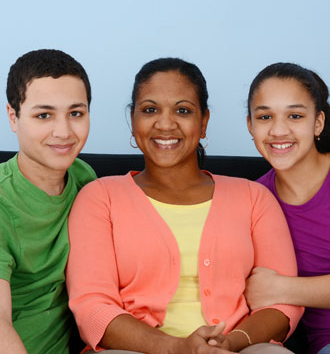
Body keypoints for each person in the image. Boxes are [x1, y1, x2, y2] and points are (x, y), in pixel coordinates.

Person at [66, 57, 303, 354]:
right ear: (133, 120)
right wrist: (178, 348)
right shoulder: (100, 198)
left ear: (203, 122)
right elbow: (92, 306)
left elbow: (283, 303)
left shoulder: (254, 198)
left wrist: (229, 343)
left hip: (239, 347)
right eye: (150, 110)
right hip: (135, 349)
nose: (165, 124)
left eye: (183, 110)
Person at [0, 49, 97, 354]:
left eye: (76, 113)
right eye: (44, 115)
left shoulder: (84, 178)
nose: (64, 132)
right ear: (13, 117)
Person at [246, 62, 330, 354]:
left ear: (318, 123)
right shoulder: (254, 199)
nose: (279, 130)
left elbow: (266, 289)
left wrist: (283, 288)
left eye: (295, 116)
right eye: (265, 116)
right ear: (250, 126)